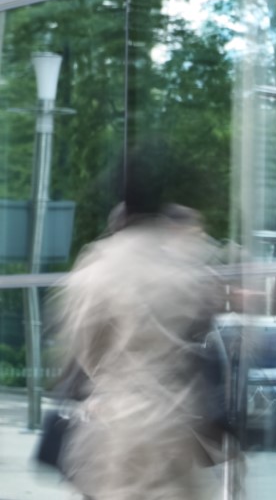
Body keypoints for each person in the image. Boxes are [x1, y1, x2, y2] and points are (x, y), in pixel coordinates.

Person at [52, 147, 226, 499]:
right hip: (176, 418)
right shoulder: (183, 261)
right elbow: (202, 327)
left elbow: (84, 347)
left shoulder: (99, 265)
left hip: (119, 423)